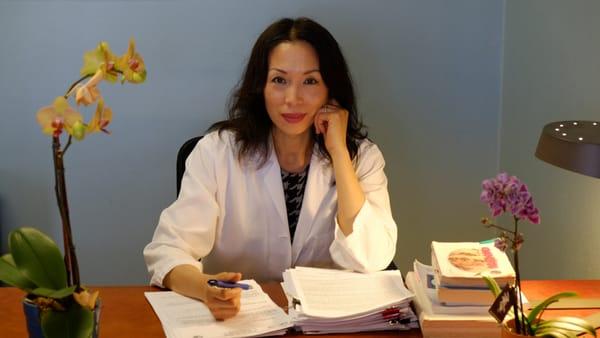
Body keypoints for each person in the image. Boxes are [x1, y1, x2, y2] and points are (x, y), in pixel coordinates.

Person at [144, 17, 397, 320]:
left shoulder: (363, 158)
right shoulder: (217, 152)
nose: (293, 99)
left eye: (310, 81)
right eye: (279, 80)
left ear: (331, 89)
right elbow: (168, 250)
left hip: (329, 325)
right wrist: (206, 288)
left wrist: (339, 152)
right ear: (260, 86)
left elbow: (374, 257)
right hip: (238, 321)